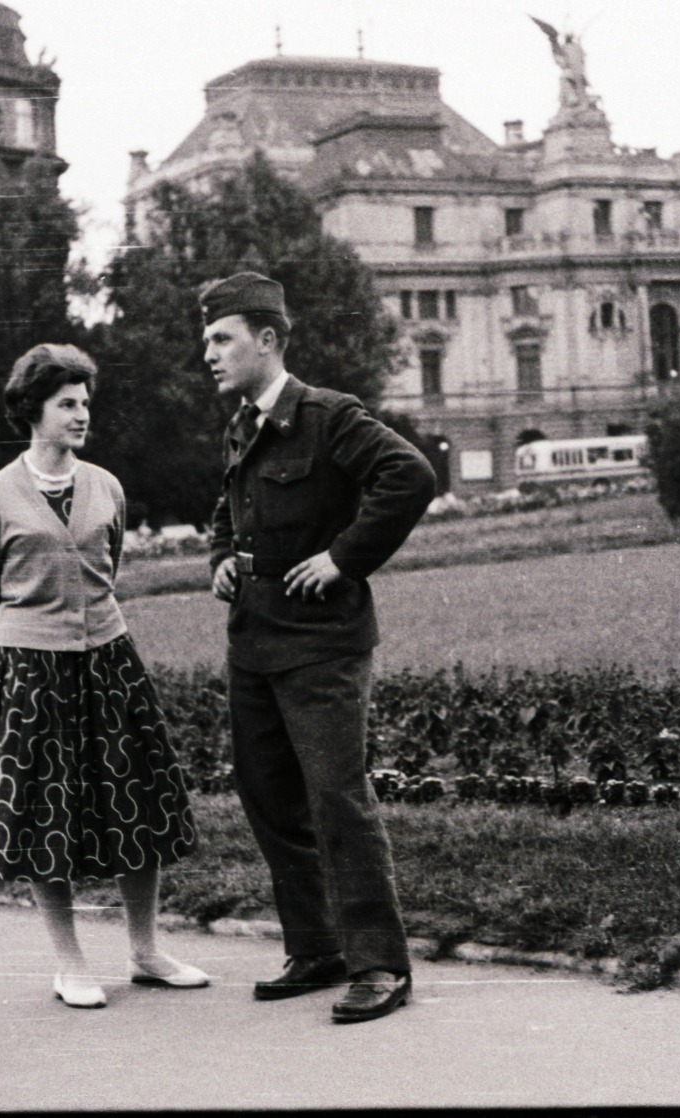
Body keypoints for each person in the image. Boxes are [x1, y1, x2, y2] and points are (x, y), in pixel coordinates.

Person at [0, 343, 204, 1010]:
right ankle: (70, 962)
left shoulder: (106, 486)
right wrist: (16, 658)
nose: (82, 415)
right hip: (29, 673)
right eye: (68, 404)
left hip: (109, 661)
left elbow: (107, 569)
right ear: (35, 410)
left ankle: (145, 951)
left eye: (86, 403)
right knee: (44, 814)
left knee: (133, 802)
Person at [202, 273, 437, 1024]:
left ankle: (379, 964)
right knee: (270, 799)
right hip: (256, 642)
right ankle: (317, 948)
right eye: (206, 340)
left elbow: (410, 475)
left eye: (221, 338)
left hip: (324, 642)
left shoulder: (328, 416)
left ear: (267, 341)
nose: (207, 353)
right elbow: (228, 508)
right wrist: (219, 558)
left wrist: (343, 557)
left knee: (338, 799)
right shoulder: (243, 423)